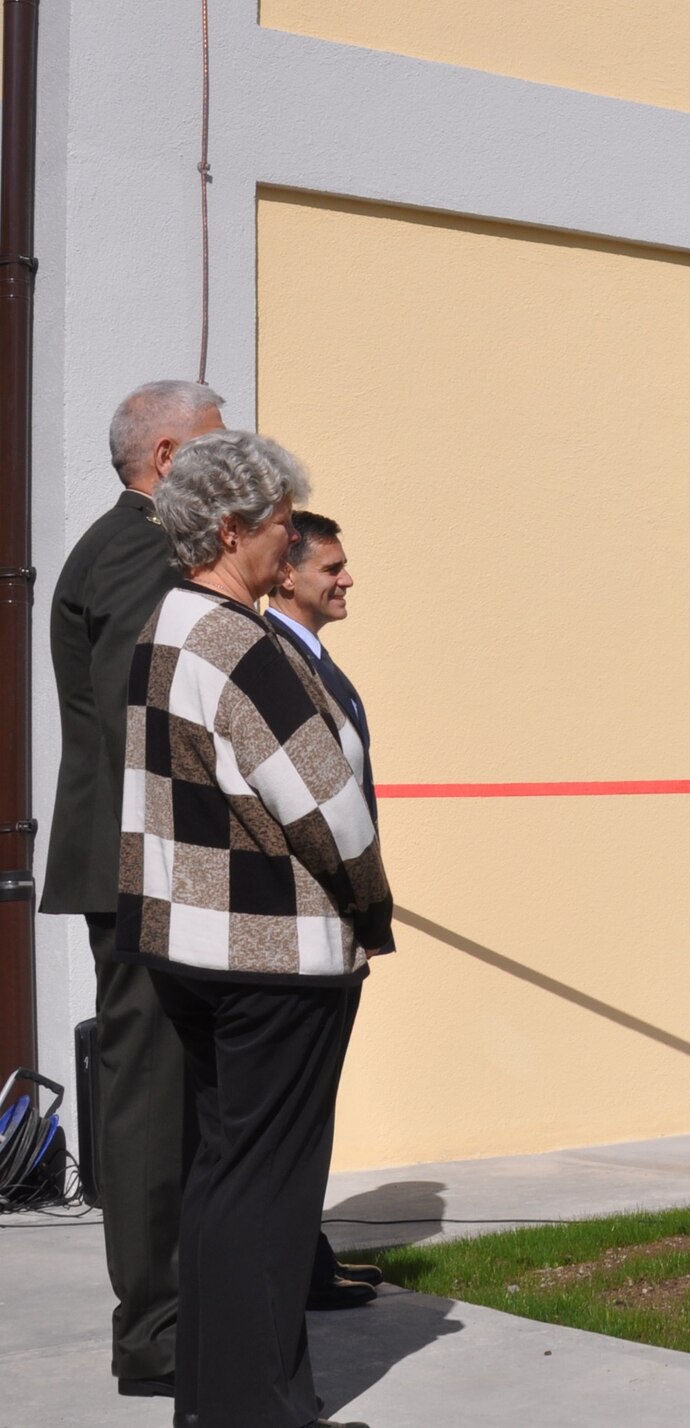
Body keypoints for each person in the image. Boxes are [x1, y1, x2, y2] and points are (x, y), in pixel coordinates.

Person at [117, 429, 387, 1428]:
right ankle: (261, 1410)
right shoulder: (239, 641)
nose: (290, 540)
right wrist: (371, 904)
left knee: (228, 1184)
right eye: (281, 522)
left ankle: (219, 1404)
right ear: (232, 530)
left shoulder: (170, 623)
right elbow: (331, 809)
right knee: (268, 1199)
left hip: (192, 947)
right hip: (274, 956)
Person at [43, 379, 225, 1399]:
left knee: (200, 1086)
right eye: (218, 445)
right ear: (165, 460)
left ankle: (218, 1289)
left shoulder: (144, 549)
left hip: (154, 863)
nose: (235, 464)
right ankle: (156, 1331)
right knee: (155, 1097)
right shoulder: (143, 554)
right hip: (145, 868)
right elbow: (142, 724)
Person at [264, 510, 388, 1311]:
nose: (346, 578)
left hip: (329, 922)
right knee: (290, 1119)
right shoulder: (275, 660)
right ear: (286, 574)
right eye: (330, 567)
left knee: (307, 1115)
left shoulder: (312, 658)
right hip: (305, 922)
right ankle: (291, 1274)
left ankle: (306, 1261)